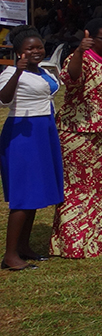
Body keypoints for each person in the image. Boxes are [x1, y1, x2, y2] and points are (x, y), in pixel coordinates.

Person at [50, 18, 102, 258]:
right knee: (80, 188)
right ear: (91, 39)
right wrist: (78, 52)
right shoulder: (81, 59)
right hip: (79, 135)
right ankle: (75, 243)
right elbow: (70, 80)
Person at [0, 27, 63, 270]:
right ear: (18, 52)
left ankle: (24, 247)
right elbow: (4, 99)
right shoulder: (10, 72)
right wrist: (18, 71)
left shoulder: (43, 70)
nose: (36, 51)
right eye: (29, 49)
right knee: (23, 195)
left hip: (44, 129)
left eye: (38, 47)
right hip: (23, 134)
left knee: (34, 193)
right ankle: (10, 256)